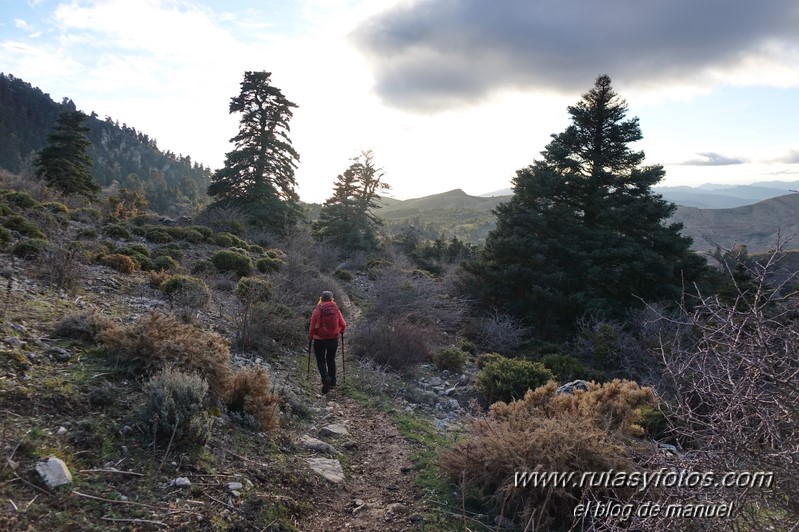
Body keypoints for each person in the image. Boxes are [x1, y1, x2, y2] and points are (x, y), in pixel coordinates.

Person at [309, 290, 346, 394]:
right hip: (333, 339)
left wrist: (311, 336)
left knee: (321, 360)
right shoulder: (336, 309)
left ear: (321, 298)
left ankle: (325, 378)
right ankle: (333, 381)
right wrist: (341, 332)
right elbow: (343, 324)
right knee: (331, 359)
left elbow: (312, 325)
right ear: (332, 298)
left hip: (319, 339)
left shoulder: (318, 309)